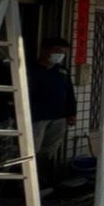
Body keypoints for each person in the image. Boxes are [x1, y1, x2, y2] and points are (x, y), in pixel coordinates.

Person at [26, 37, 76, 169]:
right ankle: (27, 179)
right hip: (37, 117)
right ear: (44, 50)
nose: (60, 56)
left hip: (59, 117)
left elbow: (69, 93)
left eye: (64, 53)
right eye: (58, 51)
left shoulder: (62, 71)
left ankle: (42, 177)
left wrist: (71, 113)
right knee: (32, 149)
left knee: (49, 150)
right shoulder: (30, 69)